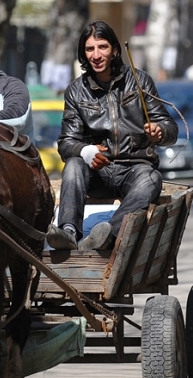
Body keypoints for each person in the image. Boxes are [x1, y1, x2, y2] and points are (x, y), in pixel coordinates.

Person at [46, 20, 179, 251]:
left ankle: (107, 234)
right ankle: (68, 232)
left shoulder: (139, 81)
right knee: (74, 165)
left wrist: (160, 131)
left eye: (102, 47)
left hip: (135, 168)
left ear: (115, 50)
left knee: (151, 179)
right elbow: (66, 142)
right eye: (90, 49)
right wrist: (87, 153)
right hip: (99, 172)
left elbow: (170, 129)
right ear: (83, 54)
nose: (96, 55)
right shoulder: (76, 91)